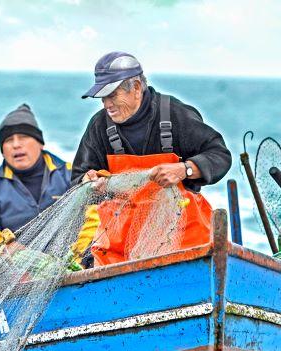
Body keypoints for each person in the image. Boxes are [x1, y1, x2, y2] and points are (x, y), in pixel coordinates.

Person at [72, 51, 232, 265]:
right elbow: (78, 178)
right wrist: (88, 182)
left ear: (136, 87)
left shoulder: (174, 113)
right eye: (103, 97)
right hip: (120, 249)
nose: (106, 104)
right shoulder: (99, 125)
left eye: (112, 95)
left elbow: (219, 154)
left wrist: (185, 169)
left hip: (183, 242)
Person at [0, 104, 72, 256]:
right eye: (9, 140)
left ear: (40, 143)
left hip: (71, 263)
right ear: (2, 151)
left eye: (23, 137)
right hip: (13, 269)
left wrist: (78, 255)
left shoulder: (71, 174)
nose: (16, 144)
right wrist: (6, 248)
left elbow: (93, 218)